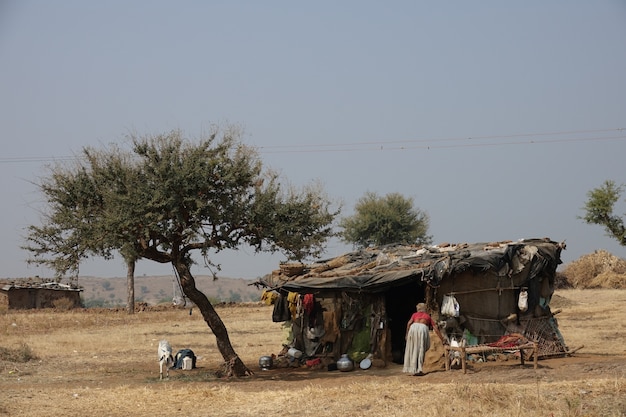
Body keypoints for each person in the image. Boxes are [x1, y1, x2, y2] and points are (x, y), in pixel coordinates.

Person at [403, 302, 447, 376]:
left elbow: (409, 323)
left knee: (412, 348)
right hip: (422, 330)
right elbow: (435, 328)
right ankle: (419, 369)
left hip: (413, 329)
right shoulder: (427, 316)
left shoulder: (414, 315)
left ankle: (411, 368)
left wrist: (407, 333)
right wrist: (442, 339)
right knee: (421, 349)